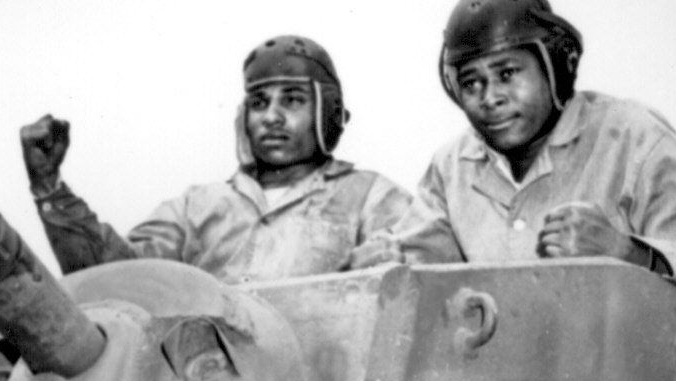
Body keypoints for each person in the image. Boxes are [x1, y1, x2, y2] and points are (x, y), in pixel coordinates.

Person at [382, 0, 676, 317]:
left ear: (555, 68)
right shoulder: (451, 166)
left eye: (507, 73)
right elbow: (418, 273)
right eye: (472, 83)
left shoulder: (633, 136)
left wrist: (627, 254)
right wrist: (384, 264)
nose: (490, 98)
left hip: (621, 378)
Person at [20, 35, 412, 284]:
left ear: (327, 113)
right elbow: (116, 278)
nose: (271, 116)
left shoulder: (372, 197)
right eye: (259, 103)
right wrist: (50, 189)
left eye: (292, 100)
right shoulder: (196, 207)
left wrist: (387, 265)